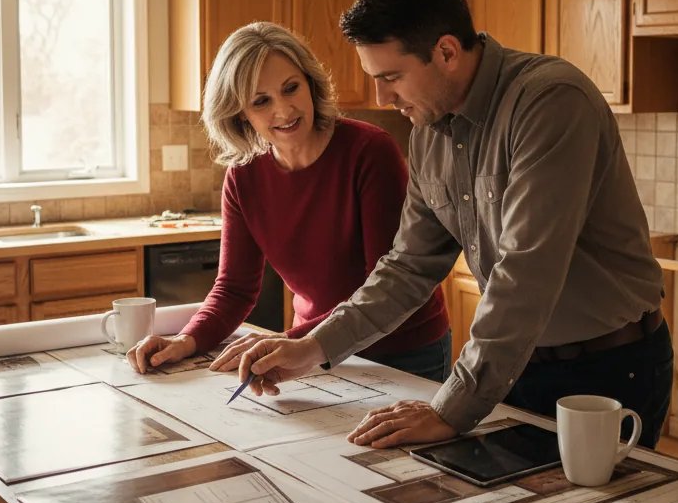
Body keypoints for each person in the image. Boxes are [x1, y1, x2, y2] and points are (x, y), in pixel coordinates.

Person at [235, 0, 673, 450]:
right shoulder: (429, 129)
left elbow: (525, 273)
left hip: (607, 371)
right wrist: (314, 348)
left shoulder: (549, 102)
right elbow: (407, 267)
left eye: (392, 77)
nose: (382, 97)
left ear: (445, 52)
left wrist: (450, 407)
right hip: (513, 370)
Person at [126, 21, 452, 382]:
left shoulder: (369, 152)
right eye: (261, 101)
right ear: (240, 113)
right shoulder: (244, 177)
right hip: (309, 347)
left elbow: (382, 286)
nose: (284, 111)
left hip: (401, 349)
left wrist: (286, 341)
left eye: (291, 88)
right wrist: (187, 340)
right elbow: (234, 289)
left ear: (310, 83)